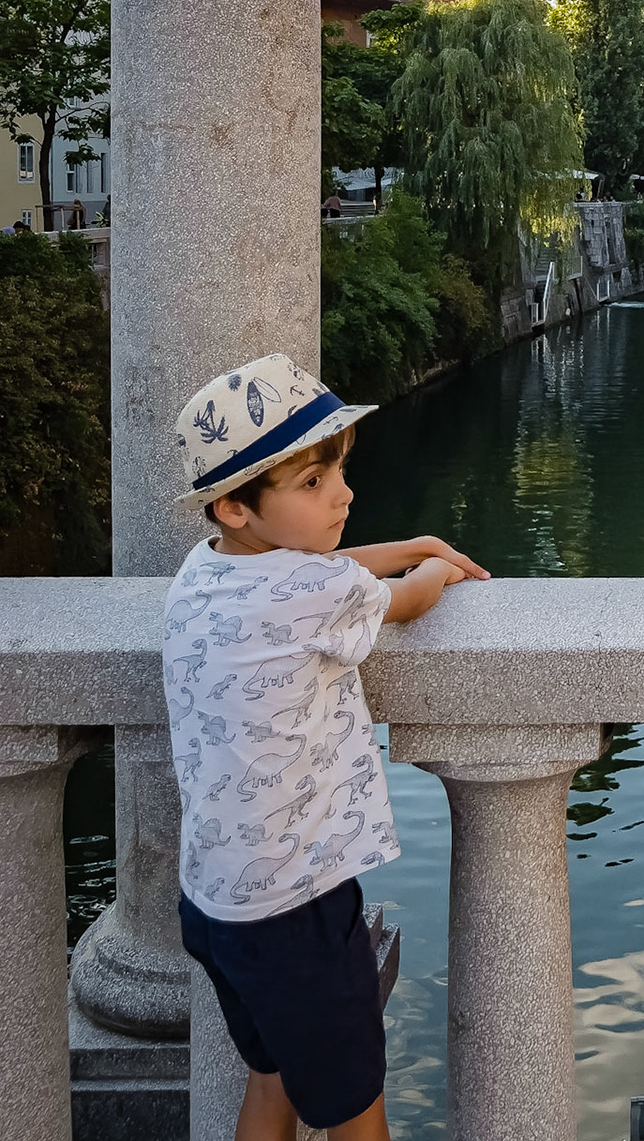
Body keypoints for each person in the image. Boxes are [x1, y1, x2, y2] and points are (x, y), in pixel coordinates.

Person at [165, 353, 487, 1141]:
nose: (342, 493)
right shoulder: (313, 591)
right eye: (312, 482)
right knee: (355, 1111)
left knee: (270, 1080)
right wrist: (434, 565)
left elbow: (322, 569)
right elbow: (403, 600)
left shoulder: (203, 570)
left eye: (338, 470)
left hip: (216, 900)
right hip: (297, 904)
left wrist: (406, 540)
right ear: (235, 507)